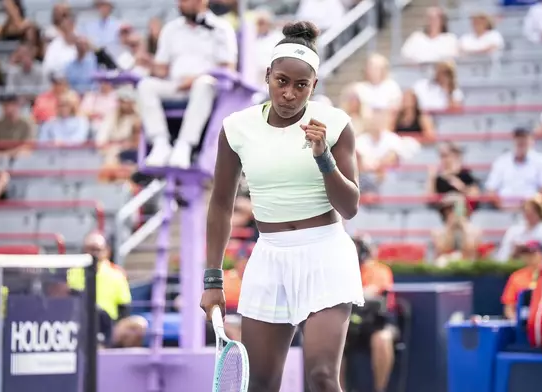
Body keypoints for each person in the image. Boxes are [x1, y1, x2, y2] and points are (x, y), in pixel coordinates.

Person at [200, 21, 364, 392]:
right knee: (260, 383)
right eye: (282, 81)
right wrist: (213, 279)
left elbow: (350, 206)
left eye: (301, 85)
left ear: (314, 86)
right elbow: (221, 203)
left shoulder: (335, 124)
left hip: (326, 254)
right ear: (268, 77)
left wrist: (324, 158)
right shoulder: (236, 127)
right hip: (269, 258)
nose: (290, 93)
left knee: (322, 377)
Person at [137, 0, 237, 169]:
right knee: (145, 85)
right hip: (175, 85)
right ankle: (160, 143)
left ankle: (185, 145)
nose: (180, 4)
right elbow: (162, 69)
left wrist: (197, 77)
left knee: (203, 84)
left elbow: (228, 67)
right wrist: (148, 63)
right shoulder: (170, 29)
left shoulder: (222, 28)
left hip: (209, 85)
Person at [344, 236, 398, 392]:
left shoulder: (378, 269)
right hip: (350, 325)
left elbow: (371, 292)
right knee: (332, 342)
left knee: (382, 339)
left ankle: (379, 389)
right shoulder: (343, 270)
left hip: (378, 323)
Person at [68, 232, 131, 321]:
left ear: (106, 251)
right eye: (89, 249)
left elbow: (124, 307)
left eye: (97, 249)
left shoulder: (117, 274)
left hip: (107, 326)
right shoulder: (71, 273)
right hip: (79, 324)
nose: (93, 254)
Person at [501, 241, 542, 320]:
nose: (529, 257)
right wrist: (516, 321)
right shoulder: (516, 276)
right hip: (523, 321)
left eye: (532, 253)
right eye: (526, 254)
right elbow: (509, 306)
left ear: (541, 254)